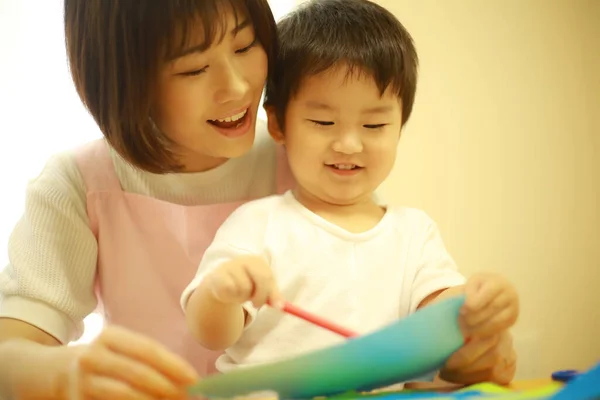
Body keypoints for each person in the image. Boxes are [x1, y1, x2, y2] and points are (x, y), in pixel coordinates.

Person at [182, 0, 519, 389]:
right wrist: (222, 292)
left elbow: (443, 318)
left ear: (399, 127)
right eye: (323, 121)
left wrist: (482, 302)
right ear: (278, 124)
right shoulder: (258, 223)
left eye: (374, 124)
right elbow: (210, 334)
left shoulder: (413, 232)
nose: (348, 144)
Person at [0, 1, 295, 399]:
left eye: (244, 46)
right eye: (194, 68)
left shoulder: (304, 161)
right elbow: (11, 351)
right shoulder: (80, 183)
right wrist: (63, 373)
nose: (238, 87)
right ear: (124, 80)